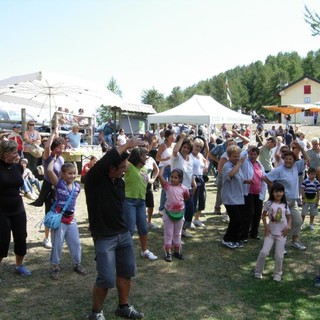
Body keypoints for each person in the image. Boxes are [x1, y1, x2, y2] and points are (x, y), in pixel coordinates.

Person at [84, 138, 145, 320]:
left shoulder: (118, 182)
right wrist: (127, 145)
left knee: (126, 272)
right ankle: (96, 313)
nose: (125, 168)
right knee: (106, 278)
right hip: (104, 237)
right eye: (122, 166)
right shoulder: (94, 180)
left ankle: (123, 307)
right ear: (109, 168)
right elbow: (106, 159)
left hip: (123, 234)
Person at [265, 143, 309, 250]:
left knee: (298, 221)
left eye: (290, 159)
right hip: (283, 202)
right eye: (286, 158)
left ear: (294, 160)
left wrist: (301, 148)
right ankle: (279, 245)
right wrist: (275, 189)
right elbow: (266, 178)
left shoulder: (296, 167)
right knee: (281, 224)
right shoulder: (279, 170)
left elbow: (307, 159)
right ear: (283, 159)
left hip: (293, 202)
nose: (288, 161)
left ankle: (294, 241)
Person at [46, 160, 86, 280]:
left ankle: (77, 264)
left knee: (76, 243)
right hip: (60, 220)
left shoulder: (77, 187)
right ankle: (55, 267)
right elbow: (49, 170)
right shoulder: (59, 184)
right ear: (62, 174)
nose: (72, 176)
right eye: (69, 173)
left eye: (74, 173)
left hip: (71, 219)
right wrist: (53, 158)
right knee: (57, 244)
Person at [0, 140, 31, 277]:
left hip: (18, 209)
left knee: (21, 237)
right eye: (14, 153)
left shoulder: (18, 167)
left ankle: (19, 266)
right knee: (2, 241)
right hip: (1, 211)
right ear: (5, 154)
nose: (17, 155)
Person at [30, 130, 65, 249]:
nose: (61, 150)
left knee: (58, 212)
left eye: (63, 148)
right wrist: (54, 133)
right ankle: (46, 238)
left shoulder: (61, 159)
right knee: (49, 212)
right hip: (48, 188)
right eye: (59, 148)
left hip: (58, 188)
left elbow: (61, 174)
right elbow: (47, 146)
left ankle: (56, 235)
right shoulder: (47, 157)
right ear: (54, 148)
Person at [123, 147, 158, 261]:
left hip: (141, 202)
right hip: (129, 201)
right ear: (137, 156)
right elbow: (121, 158)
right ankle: (124, 252)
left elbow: (156, 171)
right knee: (130, 229)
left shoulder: (144, 169)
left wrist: (153, 179)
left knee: (143, 228)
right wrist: (130, 146)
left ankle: (145, 251)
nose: (146, 157)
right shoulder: (129, 166)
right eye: (144, 155)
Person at [254, 183, 292, 282]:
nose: (278, 193)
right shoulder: (269, 203)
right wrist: (266, 227)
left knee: (279, 256)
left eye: (280, 191)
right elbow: (263, 215)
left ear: (283, 193)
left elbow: (289, 217)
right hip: (270, 233)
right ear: (272, 192)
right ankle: (258, 271)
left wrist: (288, 227)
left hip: (282, 234)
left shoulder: (285, 204)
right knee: (264, 252)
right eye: (276, 191)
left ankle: (277, 274)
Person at [158, 167, 190, 262]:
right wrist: (164, 166)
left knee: (178, 234)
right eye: (171, 177)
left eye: (175, 177)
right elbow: (160, 176)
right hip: (168, 215)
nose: (172, 179)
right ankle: (168, 253)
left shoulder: (184, 189)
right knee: (168, 234)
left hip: (179, 215)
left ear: (180, 179)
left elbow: (187, 197)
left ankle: (177, 251)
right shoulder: (167, 186)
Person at [221, 145, 247, 249]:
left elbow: (238, 178)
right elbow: (231, 175)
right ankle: (227, 239)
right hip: (230, 198)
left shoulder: (237, 166)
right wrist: (240, 163)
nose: (237, 158)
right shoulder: (227, 166)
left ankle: (236, 239)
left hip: (238, 197)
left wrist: (246, 181)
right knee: (235, 219)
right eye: (234, 156)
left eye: (238, 156)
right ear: (229, 156)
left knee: (239, 219)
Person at [171, 133, 196, 238]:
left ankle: (183, 229)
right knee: (179, 212)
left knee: (190, 210)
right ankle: (176, 233)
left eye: (188, 148)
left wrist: (193, 183)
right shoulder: (177, 157)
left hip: (188, 188)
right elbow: (175, 150)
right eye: (184, 147)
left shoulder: (190, 158)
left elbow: (190, 172)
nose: (186, 149)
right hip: (177, 189)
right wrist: (181, 138)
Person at [241, 147, 267, 241]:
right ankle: (244, 234)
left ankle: (254, 233)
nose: (252, 156)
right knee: (249, 213)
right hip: (248, 192)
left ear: (257, 155)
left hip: (258, 193)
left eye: (254, 154)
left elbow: (263, 176)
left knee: (257, 213)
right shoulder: (245, 162)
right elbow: (242, 155)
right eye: (251, 154)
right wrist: (248, 150)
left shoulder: (260, 165)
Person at [156, 129, 175, 214]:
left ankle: (169, 206)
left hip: (172, 168)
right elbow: (157, 158)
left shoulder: (174, 145)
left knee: (172, 189)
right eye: (172, 136)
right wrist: (166, 159)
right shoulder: (163, 146)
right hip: (164, 168)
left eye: (174, 135)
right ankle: (161, 208)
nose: (173, 137)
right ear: (167, 137)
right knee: (165, 188)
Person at [191, 138, 208, 228]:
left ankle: (197, 218)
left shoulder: (200, 155)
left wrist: (205, 166)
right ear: (193, 145)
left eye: (200, 147)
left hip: (201, 178)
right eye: (197, 146)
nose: (198, 148)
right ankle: (189, 219)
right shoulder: (189, 155)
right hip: (192, 178)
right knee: (192, 200)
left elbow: (205, 161)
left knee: (202, 198)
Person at [143, 153, 160, 229]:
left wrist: (153, 179)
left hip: (148, 185)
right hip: (138, 185)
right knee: (141, 205)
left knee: (150, 205)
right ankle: (141, 222)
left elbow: (156, 170)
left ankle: (149, 221)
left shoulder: (150, 159)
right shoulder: (136, 158)